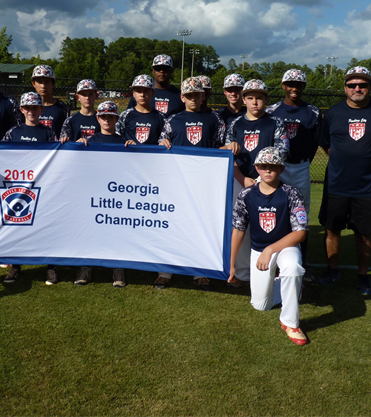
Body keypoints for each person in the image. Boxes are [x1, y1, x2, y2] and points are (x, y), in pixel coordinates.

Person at [316, 66, 371, 295]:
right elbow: (326, 144)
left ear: (370, 87)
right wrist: (345, 163)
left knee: (363, 232)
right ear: (345, 87)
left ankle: (363, 277)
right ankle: (332, 269)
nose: (357, 88)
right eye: (352, 85)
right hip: (337, 184)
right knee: (332, 229)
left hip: (368, 186)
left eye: (362, 84)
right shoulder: (333, 113)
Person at [229, 145, 310, 345]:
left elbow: (300, 233)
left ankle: (290, 323)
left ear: (281, 169)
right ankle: (291, 287)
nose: (268, 170)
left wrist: (271, 249)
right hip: (259, 250)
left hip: (285, 247)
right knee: (260, 305)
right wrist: (231, 265)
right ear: (256, 168)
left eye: (273, 167)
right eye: (263, 166)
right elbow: (238, 230)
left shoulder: (291, 193)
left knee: (292, 267)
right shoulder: (246, 195)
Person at [155, 76, 226, 291]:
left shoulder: (214, 118)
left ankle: (199, 272)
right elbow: (161, 144)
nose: (193, 98)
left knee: (200, 226)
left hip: (203, 182)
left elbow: (219, 148)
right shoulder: (172, 119)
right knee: (172, 224)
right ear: (182, 97)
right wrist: (162, 143)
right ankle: (165, 271)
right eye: (189, 95)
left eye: (197, 94)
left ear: (203, 95)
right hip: (177, 182)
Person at [221, 79, 290, 289]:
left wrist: (260, 180)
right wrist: (242, 178)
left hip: (267, 183)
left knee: (268, 228)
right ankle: (242, 273)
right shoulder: (235, 123)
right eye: (250, 98)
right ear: (243, 99)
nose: (255, 102)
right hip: (239, 181)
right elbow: (226, 155)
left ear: (266, 100)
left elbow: (282, 152)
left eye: (259, 98)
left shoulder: (275, 123)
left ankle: (268, 271)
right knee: (240, 226)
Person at [1, 92, 61, 285]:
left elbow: (57, 158)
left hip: (43, 187)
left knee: (47, 226)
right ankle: (15, 267)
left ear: (41, 110)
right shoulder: (13, 133)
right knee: (17, 226)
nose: (31, 111)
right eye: (27, 108)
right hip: (19, 188)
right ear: (22, 110)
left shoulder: (48, 133)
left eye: (35, 107)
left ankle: (51, 268)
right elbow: (0, 155)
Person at [265, 69, 320, 280]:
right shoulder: (272, 110)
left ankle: (301, 263)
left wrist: (304, 161)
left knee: (300, 215)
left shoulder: (313, 111)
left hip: (301, 167)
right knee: (274, 211)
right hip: (278, 167)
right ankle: (272, 262)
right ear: (283, 85)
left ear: (304, 86)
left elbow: (315, 141)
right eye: (290, 84)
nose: (294, 88)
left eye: (298, 84)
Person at [77, 100, 136, 288]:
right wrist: (77, 147)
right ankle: (86, 268)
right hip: (93, 194)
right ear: (98, 118)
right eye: (103, 117)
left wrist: (136, 149)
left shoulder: (123, 141)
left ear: (117, 119)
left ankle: (118, 269)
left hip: (116, 196)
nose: (107, 120)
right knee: (90, 230)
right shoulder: (90, 141)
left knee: (116, 231)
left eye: (111, 117)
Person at [116, 75, 165, 145]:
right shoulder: (125, 115)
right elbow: (117, 138)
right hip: (130, 154)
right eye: (138, 91)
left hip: (152, 155)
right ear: (134, 94)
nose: (142, 94)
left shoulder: (160, 117)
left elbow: (164, 140)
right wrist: (126, 143)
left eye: (146, 91)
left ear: (153, 93)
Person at [30, 65, 69, 134]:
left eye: (47, 82)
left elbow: (67, 134)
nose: (43, 86)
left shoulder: (62, 108)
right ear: (33, 83)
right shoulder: (27, 107)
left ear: (53, 84)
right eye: (39, 82)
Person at [59, 79, 100, 143]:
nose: (87, 98)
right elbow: (64, 145)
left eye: (90, 94)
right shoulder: (70, 120)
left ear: (96, 96)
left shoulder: (102, 120)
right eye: (84, 94)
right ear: (78, 97)